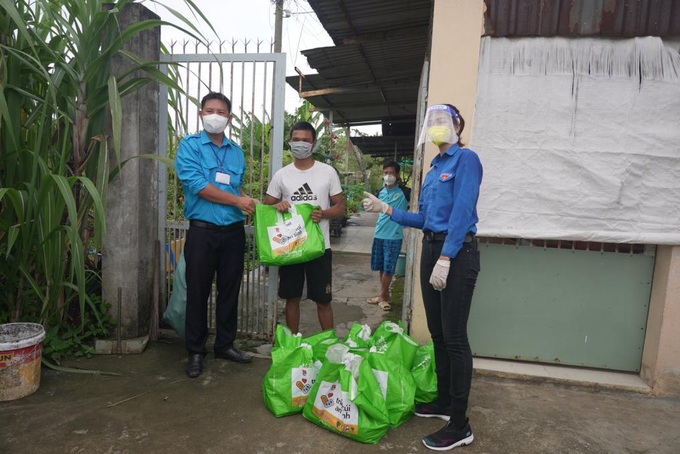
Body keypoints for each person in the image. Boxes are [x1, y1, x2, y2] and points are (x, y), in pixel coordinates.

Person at [363, 104, 482, 451]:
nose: (439, 127)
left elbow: (462, 212)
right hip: (432, 249)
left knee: (456, 338)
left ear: (459, 126)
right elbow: (426, 220)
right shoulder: (433, 169)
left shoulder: (466, 159)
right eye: (434, 123)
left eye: (445, 121)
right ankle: (444, 403)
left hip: (456, 254)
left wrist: (447, 255)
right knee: (439, 334)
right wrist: (387, 209)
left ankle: (460, 424)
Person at [175, 92, 259, 378]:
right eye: (209, 110)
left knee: (230, 290)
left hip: (233, 233)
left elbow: (235, 189)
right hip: (203, 233)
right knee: (198, 292)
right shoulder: (190, 146)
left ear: (229, 117)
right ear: (201, 114)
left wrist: (249, 200)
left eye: (221, 111)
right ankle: (195, 351)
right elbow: (198, 185)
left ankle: (225, 344)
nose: (215, 115)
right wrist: (238, 201)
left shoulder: (237, 152)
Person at [264, 121, 346, 334]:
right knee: (292, 298)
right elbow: (266, 206)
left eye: (306, 140)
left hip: (319, 247)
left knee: (323, 300)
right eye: (296, 140)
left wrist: (324, 213)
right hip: (292, 246)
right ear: (290, 142)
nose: (300, 144)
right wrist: (277, 206)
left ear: (314, 143)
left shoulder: (327, 172)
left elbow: (340, 207)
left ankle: (328, 344)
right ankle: (293, 344)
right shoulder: (282, 175)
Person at [366, 161, 408, 311]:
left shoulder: (405, 192)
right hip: (379, 233)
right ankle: (384, 295)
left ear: (397, 175)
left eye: (391, 173)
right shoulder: (380, 192)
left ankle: (382, 296)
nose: (388, 176)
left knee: (389, 268)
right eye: (385, 173)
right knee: (382, 266)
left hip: (394, 235)